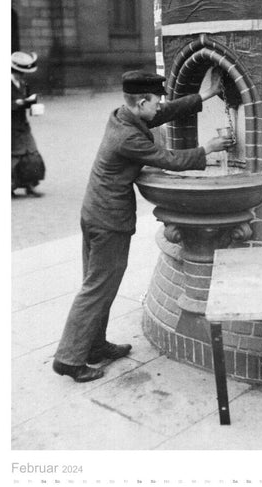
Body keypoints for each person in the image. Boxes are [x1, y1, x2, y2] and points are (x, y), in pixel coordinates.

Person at [53, 69, 233, 382]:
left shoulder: (124, 116)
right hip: (108, 220)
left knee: (100, 284)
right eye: (155, 101)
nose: (159, 106)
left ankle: (93, 346)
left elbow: (165, 111)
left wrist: (205, 94)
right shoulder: (129, 137)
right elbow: (169, 158)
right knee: (97, 287)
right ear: (141, 102)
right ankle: (69, 358)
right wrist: (209, 149)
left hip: (94, 212)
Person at [11, 51, 46, 197]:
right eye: (19, 72)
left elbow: (26, 102)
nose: (21, 75)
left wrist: (31, 104)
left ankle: (31, 185)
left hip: (22, 124)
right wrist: (16, 103)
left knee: (31, 153)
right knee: (13, 156)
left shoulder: (23, 84)